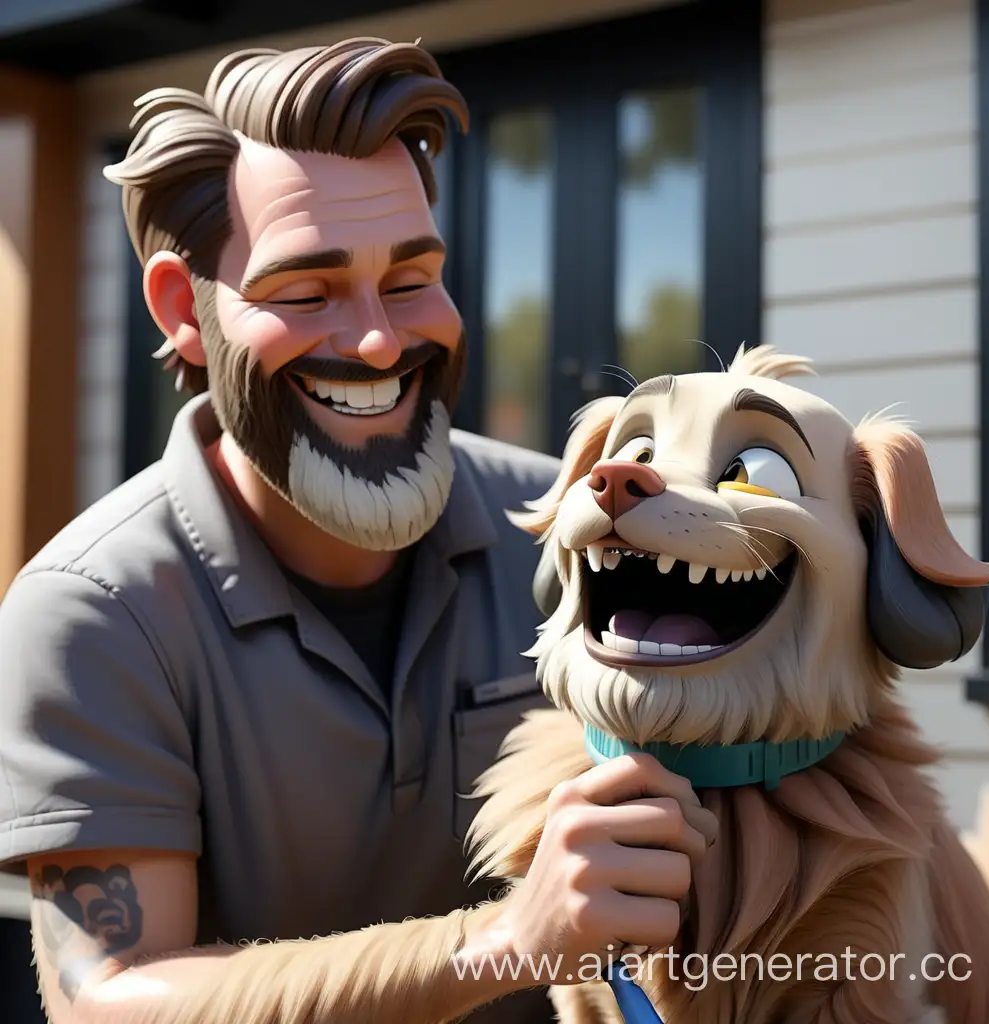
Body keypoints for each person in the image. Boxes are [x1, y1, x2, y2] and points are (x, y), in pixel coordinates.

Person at [0, 38, 713, 1024]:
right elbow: (107, 998)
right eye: (306, 291)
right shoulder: (94, 611)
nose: (379, 339)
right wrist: (505, 942)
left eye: (411, 277)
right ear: (184, 312)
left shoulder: (566, 529)